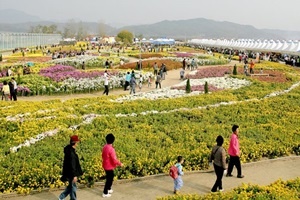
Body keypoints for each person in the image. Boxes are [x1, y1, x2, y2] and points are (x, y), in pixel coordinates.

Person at [58, 135, 83, 200]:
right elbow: (73, 165)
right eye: (77, 142)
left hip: (68, 172)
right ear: (75, 143)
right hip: (71, 173)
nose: (77, 143)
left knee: (70, 187)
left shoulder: (68, 150)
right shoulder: (71, 153)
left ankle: (61, 197)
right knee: (73, 187)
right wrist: (74, 175)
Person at [102, 133, 123, 198]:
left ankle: (109, 189)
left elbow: (103, 155)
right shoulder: (111, 149)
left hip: (105, 165)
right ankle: (105, 192)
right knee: (109, 179)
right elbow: (114, 159)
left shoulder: (105, 147)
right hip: (109, 166)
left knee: (110, 178)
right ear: (113, 140)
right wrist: (120, 163)